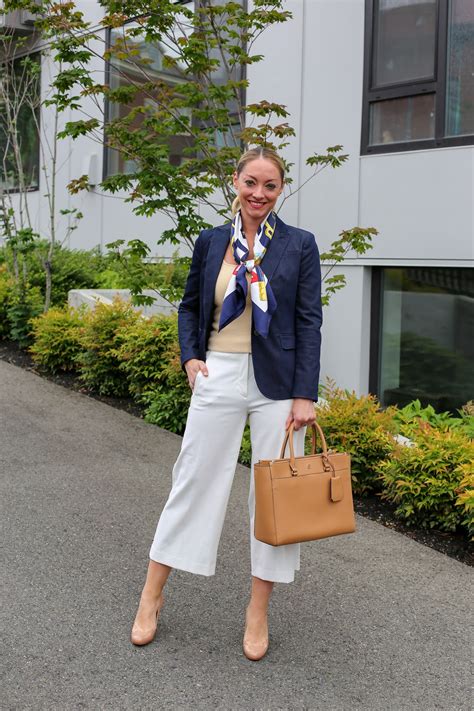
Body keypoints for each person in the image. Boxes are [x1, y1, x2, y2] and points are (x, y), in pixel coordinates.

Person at [131, 146, 322, 660]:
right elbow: (192, 303)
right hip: (218, 373)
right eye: (251, 183)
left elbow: (308, 321)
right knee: (192, 480)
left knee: (275, 498)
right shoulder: (212, 241)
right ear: (235, 182)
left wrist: (306, 394)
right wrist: (191, 357)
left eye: (271, 186)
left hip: (279, 386)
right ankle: (151, 596)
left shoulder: (300, 245)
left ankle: (257, 612)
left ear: (280, 190)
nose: (259, 194)